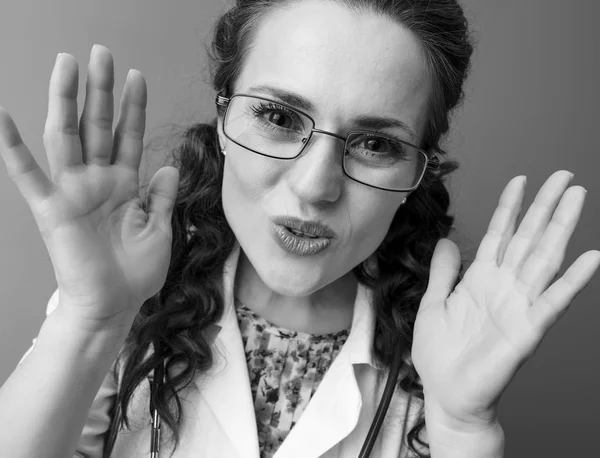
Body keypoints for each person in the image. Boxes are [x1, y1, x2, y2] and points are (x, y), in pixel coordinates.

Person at [0, 0, 598, 457]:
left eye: (374, 144)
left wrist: (464, 428)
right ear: (223, 114)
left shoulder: (445, 358)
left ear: (419, 171)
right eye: (279, 117)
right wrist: (90, 318)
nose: (316, 187)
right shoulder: (124, 299)